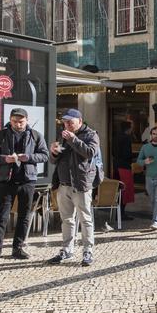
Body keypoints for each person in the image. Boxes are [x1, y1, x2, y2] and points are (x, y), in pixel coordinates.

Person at [0, 109, 50, 270]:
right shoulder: (0, 135)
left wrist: (29, 157)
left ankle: (17, 248)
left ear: (27, 120)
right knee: (1, 218)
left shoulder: (36, 135)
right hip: (7, 181)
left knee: (24, 216)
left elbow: (44, 155)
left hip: (28, 180)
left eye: (21, 122)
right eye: (15, 121)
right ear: (10, 120)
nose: (18, 124)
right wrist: (5, 159)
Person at [48, 109, 100, 267]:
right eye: (65, 122)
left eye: (70, 121)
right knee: (67, 220)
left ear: (80, 120)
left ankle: (87, 251)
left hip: (81, 184)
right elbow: (54, 161)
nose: (67, 124)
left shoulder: (91, 135)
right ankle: (67, 249)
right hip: (64, 184)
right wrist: (54, 153)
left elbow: (90, 153)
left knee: (85, 219)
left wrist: (73, 139)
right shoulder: (63, 134)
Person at [112, 121, 136, 221]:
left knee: (119, 190)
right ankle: (121, 213)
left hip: (116, 165)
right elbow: (127, 154)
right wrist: (133, 158)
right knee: (125, 191)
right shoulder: (126, 138)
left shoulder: (115, 137)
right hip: (124, 167)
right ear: (129, 128)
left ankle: (118, 213)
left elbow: (113, 152)